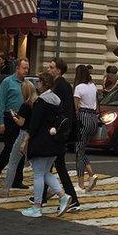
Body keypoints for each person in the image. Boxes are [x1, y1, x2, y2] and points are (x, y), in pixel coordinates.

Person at [19, 72, 73, 218]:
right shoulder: (56, 99)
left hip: (41, 142)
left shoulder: (41, 101)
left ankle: (37, 207)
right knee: (45, 173)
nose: (37, 85)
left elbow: (34, 124)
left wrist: (25, 141)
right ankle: (63, 196)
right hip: (55, 142)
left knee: (38, 174)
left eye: (39, 82)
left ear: (43, 83)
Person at [42, 58, 80, 211]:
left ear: (58, 70)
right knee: (49, 165)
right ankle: (42, 195)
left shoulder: (59, 86)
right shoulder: (63, 85)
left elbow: (56, 110)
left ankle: (73, 200)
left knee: (58, 166)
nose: (48, 69)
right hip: (61, 131)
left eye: (51, 67)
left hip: (58, 132)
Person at [0, 59, 29, 188]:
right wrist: (0, 121)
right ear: (17, 68)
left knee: (21, 149)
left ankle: (17, 180)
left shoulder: (26, 83)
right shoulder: (8, 82)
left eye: (27, 68)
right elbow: (1, 102)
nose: (26, 71)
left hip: (22, 118)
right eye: (24, 68)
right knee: (10, 148)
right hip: (10, 118)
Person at [73, 64, 99, 192]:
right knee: (82, 149)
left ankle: (80, 183)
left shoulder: (78, 88)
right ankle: (91, 175)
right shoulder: (93, 86)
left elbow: (75, 107)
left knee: (78, 151)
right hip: (93, 118)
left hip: (83, 117)